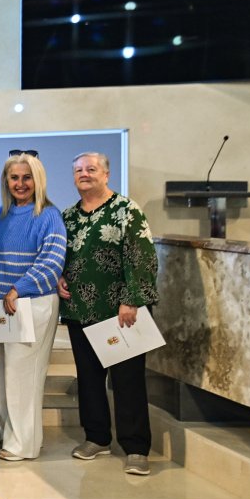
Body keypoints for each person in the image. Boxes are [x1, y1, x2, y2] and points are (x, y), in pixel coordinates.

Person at [59, 152, 158, 476]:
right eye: (78, 170)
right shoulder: (68, 216)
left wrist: (131, 300)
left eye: (91, 169)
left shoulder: (126, 211)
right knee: (89, 380)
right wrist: (59, 276)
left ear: (106, 173)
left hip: (119, 313)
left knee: (127, 381)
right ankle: (96, 437)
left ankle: (136, 447)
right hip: (79, 311)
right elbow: (61, 254)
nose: (84, 174)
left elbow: (141, 258)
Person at [0, 152, 66, 462]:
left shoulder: (48, 215)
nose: (20, 183)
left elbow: (52, 261)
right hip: (2, 305)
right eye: (14, 177)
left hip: (31, 303)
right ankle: (12, 434)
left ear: (38, 180)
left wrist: (20, 287)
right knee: (3, 375)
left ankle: (24, 444)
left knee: (24, 376)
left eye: (26, 177)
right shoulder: (2, 214)